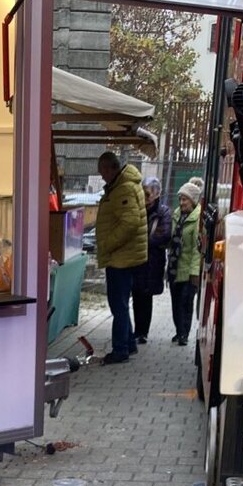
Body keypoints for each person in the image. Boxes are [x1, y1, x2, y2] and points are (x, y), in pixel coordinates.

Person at [94, 151, 148, 364]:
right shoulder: (124, 185)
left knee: (118, 305)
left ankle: (120, 349)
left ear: (109, 168)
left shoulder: (122, 188)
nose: (102, 177)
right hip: (124, 255)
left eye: (102, 173)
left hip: (120, 257)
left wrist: (108, 244)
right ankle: (129, 343)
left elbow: (130, 222)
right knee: (121, 303)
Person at [132, 177, 172, 345]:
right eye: (143, 193)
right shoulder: (137, 209)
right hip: (137, 259)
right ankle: (137, 330)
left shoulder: (163, 211)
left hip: (152, 261)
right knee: (136, 295)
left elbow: (164, 234)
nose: (145, 197)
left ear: (157, 194)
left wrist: (142, 242)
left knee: (146, 296)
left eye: (148, 193)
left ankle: (143, 332)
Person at [167, 182, 202, 346]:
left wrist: (195, 272)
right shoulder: (176, 216)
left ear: (193, 201)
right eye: (180, 199)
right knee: (175, 303)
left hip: (189, 271)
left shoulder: (197, 219)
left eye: (185, 200)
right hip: (175, 268)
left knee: (186, 303)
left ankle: (184, 334)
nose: (181, 203)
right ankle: (178, 330)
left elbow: (197, 249)